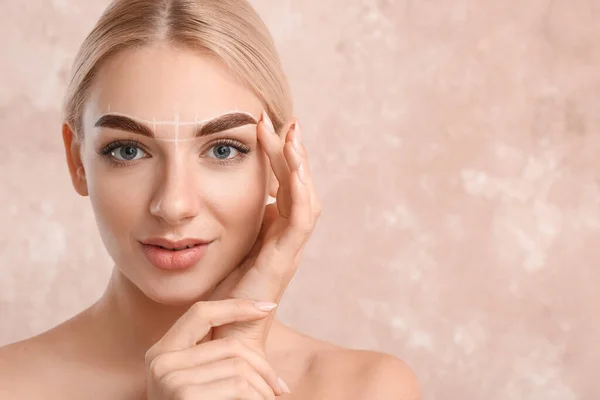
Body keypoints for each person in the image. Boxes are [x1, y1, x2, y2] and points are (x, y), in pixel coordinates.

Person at [0, 0, 420, 398]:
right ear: (77, 160)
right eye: (128, 150)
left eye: (223, 149)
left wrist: (239, 335)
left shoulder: (367, 390)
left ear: (281, 161)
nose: (174, 205)